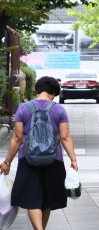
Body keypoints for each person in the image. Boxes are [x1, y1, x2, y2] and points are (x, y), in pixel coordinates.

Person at [0, 76, 78, 230]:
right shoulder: (59, 109)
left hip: (28, 159)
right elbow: (65, 137)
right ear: (54, 93)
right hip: (53, 159)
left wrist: (7, 162)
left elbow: (17, 137)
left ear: (37, 90)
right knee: (47, 199)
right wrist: (73, 160)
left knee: (31, 199)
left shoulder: (24, 108)